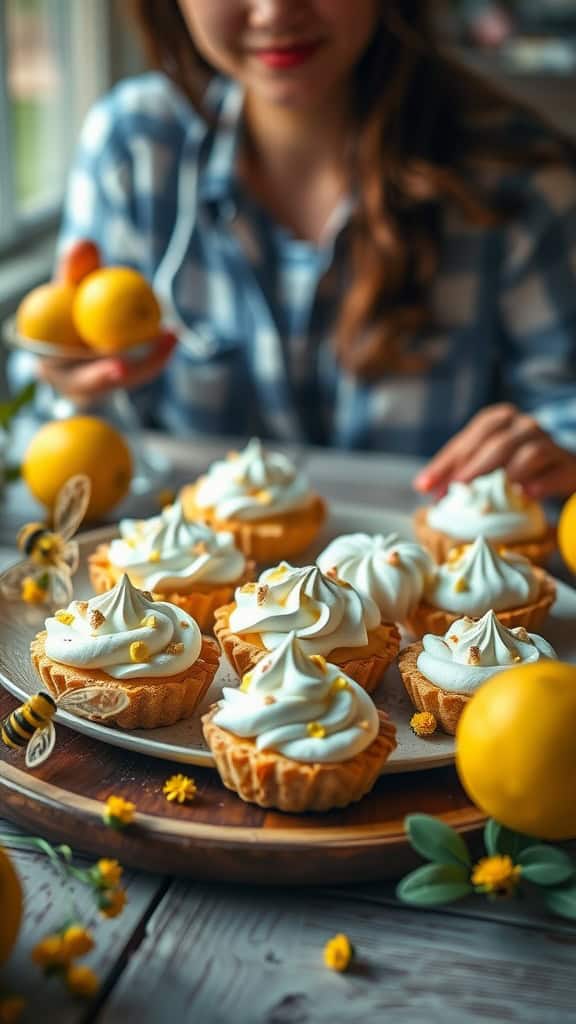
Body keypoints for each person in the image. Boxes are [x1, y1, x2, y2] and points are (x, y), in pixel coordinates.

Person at [36, 0, 576, 498]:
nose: (275, 11)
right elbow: (54, 429)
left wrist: (551, 447)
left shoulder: (519, 179)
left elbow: (564, 407)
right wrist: (76, 387)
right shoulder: (132, 146)